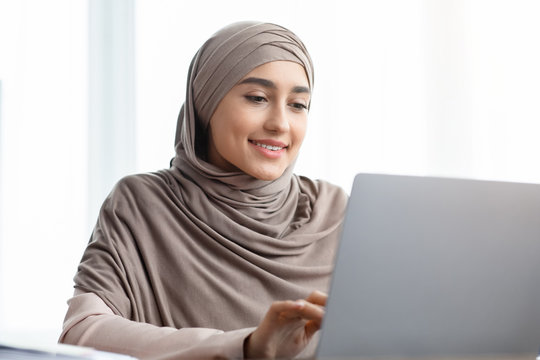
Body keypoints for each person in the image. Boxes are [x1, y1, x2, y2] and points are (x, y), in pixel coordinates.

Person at [59, 21, 347, 359]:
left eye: (298, 104)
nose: (280, 124)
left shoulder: (334, 210)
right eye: (257, 98)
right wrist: (245, 347)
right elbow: (82, 330)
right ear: (205, 103)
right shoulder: (143, 204)